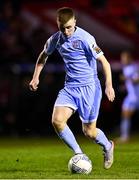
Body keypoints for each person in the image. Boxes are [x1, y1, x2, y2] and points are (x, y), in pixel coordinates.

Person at [29, 7, 115, 169]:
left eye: (69, 27)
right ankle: (79, 154)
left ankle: (108, 146)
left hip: (89, 88)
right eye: (63, 28)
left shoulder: (85, 38)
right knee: (57, 121)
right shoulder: (55, 39)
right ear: (58, 25)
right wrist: (35, 77)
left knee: (89, 132)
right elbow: (43, 55)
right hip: (70, 88)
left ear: (75, 22)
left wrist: (108, 85)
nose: (66, 31)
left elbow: (105, 62)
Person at [118, 51, 139, 142]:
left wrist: (126, 78)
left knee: (126, 115)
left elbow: (136, 80)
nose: (123, 60)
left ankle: (125, 136)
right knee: (125, 114)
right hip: (130, 96)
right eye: (122, 58)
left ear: (129, 58)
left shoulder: (133, 67)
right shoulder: (126, 68)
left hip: (135, 96)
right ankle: (124, 136)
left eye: (124, 58)